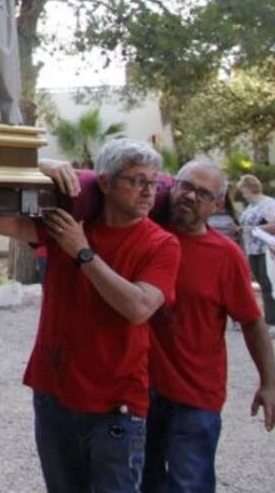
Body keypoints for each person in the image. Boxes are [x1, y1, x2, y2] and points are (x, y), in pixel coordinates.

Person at [0, 139, 181, 493]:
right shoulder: (70, 226)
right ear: (104, 183)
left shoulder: (162, 244)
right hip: (54, 391)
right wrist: (41, 166)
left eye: (153, 183)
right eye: (137, 180)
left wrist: (83, 253)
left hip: (115, 403)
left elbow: (138, 308)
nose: (147, 192)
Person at [143, 159, 275, 491]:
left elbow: (251, 321)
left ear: (217, 204)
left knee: (190, 484)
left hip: (196, 394)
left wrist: (269, 382)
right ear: (171, 187)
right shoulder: (145, 237)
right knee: (143, 481)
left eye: (203, 193)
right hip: (140, 388)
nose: (190, 196)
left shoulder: (225, 255)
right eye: (185, 186)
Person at [238, 174, 275, 327]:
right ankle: (269, 318)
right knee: (261, 283)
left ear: (249, 188)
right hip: (252, 249)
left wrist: (254, 228)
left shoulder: (268, 204)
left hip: (265, 248)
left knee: (268, 284)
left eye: (243, 189)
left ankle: (272, 321)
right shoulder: (250, 206)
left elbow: (273, 225)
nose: (242, 194)